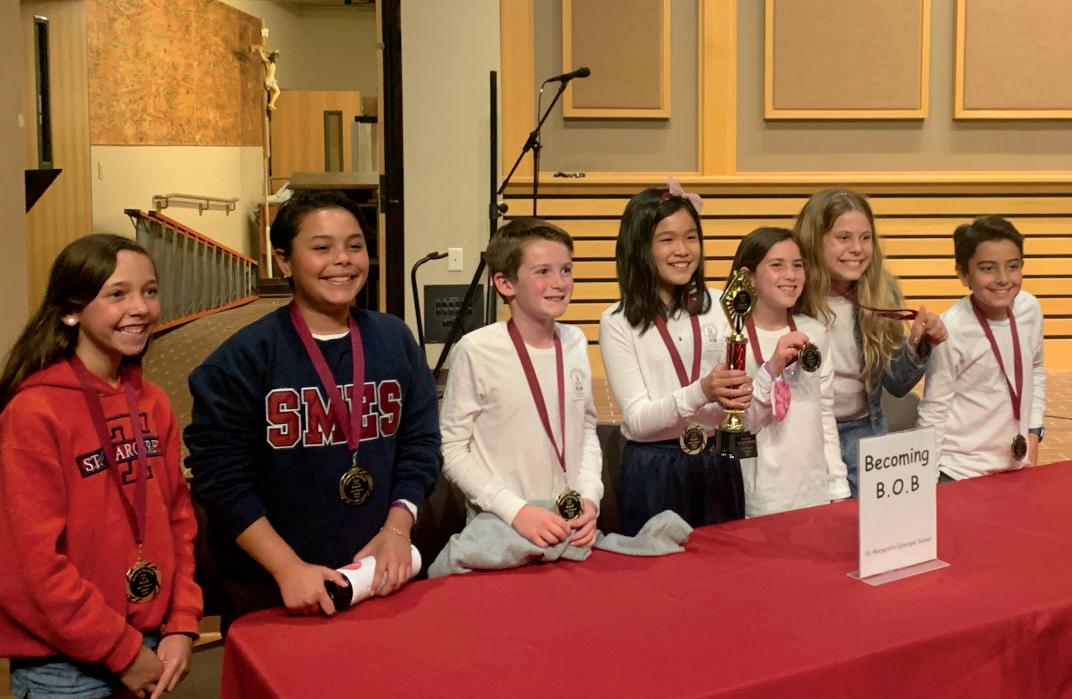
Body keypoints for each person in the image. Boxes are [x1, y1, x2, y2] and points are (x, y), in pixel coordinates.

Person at [186, 190, 440, 631]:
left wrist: (398, 529)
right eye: (322, 247)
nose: (342, 259)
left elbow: (420, 445)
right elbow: (221, 482)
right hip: (275, 585)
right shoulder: (241, 361)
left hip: (377, 571)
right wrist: (286, 567)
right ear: (284, 261)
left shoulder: (395, 340)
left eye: (354, 245)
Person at [0, 234, 201, 699]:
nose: (141, 308)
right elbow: (29, 568)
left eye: (149, 291)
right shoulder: (34, 412)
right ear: (72, 310)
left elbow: (178, 520)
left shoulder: (152, 402)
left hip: (151, 645)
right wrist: (122, 651)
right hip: (64, 668)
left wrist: (182, 622)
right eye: (117, 294)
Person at [599, 181, 755, 536]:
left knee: (725, 567)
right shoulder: (617, 321)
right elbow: (638, 420)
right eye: (667, 239)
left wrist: (743, 392)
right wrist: (702, 391)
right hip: (654, 469)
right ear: (640, 246)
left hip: (718, 464)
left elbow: (736, 402)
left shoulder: (721, 304)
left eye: (691, 237)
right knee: (658, 570)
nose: (683, 251)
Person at [440, 217, 603, 548]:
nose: (559, 283)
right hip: (502, 530)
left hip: (570, 529)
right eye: (543, 272)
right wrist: (516, 511)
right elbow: (453, 449)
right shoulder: (476, 350)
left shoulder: (574, 340)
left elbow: (585, 428)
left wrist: (590, 496)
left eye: (566, 270)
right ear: (505, 283)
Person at [795, 188, 947, 496]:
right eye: (843, 237)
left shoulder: (880, 291)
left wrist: (919, 345)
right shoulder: (794, 295)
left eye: (865, 238)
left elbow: (897, 384)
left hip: (864, 433)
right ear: (814, 240)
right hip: (805, 437)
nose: (857, 248)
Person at [728, 227, 849, 515]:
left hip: (815, 492)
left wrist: (838, 487)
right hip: (761, 500)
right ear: (748, 277)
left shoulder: (815, 333)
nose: (791, 275)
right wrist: (771, 369)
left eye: (797, 265)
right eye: (777, 265)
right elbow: (741, 425)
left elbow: (825, 414)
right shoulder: (731, 338)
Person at [917, 216, 1046, 480]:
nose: (1003, 279)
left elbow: (1036, 370)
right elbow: (934, 412)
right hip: (959, 472)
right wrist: (928, 481)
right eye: (988, 268)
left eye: (1013, 266)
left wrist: (1033, 433)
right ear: (963, 274)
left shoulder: (1030, 309)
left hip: (1015, 466)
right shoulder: (952, 329)